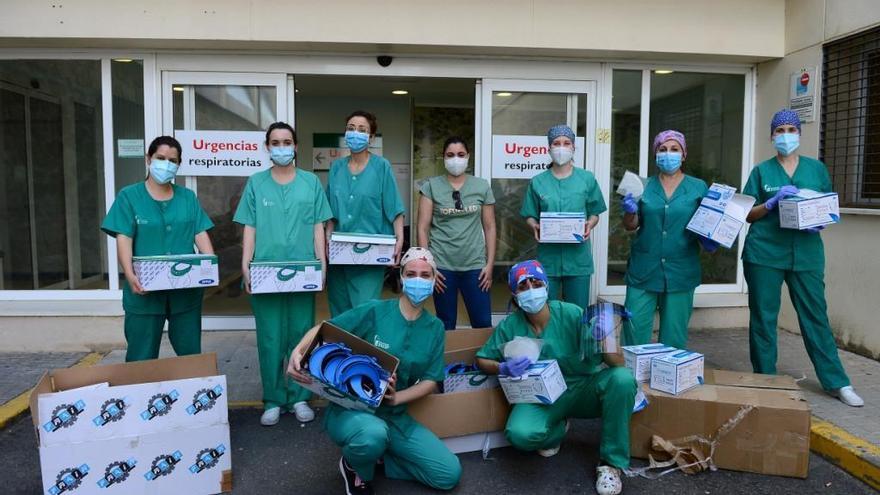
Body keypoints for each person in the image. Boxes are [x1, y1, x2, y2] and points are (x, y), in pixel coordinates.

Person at [288, 247, 462, 495]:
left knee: (448, 474)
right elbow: (324, 328)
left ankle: (379, 455)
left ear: (435, 279)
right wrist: (299, 350)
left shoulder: (435, 328)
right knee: (371, 435)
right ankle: (355, 466)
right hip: (353, 410)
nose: (418, 280)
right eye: (411, 273)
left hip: (396, 416)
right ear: (401, 277)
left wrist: (396, 398)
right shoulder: (374, 311)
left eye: (425, 275)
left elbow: (432, 380)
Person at [476, 260, 636, 495]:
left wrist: (607, 339)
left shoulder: (571, 313)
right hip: (543, 397)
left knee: (622, 380)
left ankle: (611, 464)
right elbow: (482, 359)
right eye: (523, 286)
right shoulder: (510, 325)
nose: (531, 290)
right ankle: (557, 430)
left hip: (583, 389)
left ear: (546, 286)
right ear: (514, 293)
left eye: (536, 282)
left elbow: (617, 365)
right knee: (520, 434)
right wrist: (503, 368)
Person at [742, 109, 863, 407]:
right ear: (772, 136)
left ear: (799, 134)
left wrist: (822, 219)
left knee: (815, 317)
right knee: (763, 318)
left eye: (790, 130)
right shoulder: (761, 171)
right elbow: (746, 213)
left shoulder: (816, 169)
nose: (785, 135)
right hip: (764, 253)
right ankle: (766, 380)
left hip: (806, 254)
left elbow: (827, 206)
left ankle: (837, 382)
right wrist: (770, 203)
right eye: (780, 130)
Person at [234, 122, 333, 426]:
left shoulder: (310, 183)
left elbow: (318, 225)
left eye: (286, 141)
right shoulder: (256, 183)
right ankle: (274, 399)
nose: (281, 147)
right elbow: (249, 226)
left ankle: (300, 396)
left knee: (300, 334)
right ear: (268, 147)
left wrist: (322, 262)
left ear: (296, 146)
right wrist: (245, 263)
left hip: (303, 269)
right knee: (270, 338)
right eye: (275, 142)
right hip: (265, 270)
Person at [101, 136, 214, 362]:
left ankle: (193, 394)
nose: (166, 164)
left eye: (173, 160)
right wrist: (130, 274)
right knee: (141, 354)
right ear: (148, 159)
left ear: (178, 165)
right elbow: (124, 237)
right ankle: (139, 394)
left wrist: (209, 265)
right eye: (161, 158)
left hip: (185, 288)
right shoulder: (129, 196)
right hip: (145, 287)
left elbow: (199, 231)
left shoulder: (187, 197)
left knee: (190, 354)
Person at [620, 130, 717, 349]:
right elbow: (630, 225)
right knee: (634, 329)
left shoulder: (698, 187)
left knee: (674, 337)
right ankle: (631, 381)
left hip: (681, 269)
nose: (668, 154)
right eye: (662, 149)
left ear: (683, 155)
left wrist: (713, 238)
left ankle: (668, 379)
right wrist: (629, 211)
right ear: (655, 154)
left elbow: (709, 223)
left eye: (674, 149)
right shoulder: (641, 185)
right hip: (644, 269)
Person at [326, 110, 406, 317]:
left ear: (371, 138)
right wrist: (326, 241)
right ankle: (340, 350)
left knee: (364, 311)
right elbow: (330, 212)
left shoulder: (381, 167)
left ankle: (362, 350)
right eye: (351, 128)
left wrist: (399, 240)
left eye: (362, 130)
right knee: (340, 313)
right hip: (338, 253)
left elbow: (394, 208)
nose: (355, 133)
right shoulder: (336, 168)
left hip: (369, 255)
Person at [521, 124, 607, 309]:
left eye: (566, 143)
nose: (561, 147)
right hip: (548, 259)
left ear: (573, 147)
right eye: (556, 143)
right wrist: (534, 225)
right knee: (547, 311)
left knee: (577, 313)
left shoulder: (587, 179)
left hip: (578, 260)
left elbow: (595, 212)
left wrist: (590, 224)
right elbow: (529, 214)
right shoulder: (538, 181)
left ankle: (576, 339)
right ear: (549, 148)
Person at [416, 136, 496, 330]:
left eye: (460, 154)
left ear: (468, 156)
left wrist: (490, 264)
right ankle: (447, 360)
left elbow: (490, 226)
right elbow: (422, 227)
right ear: (443, 158)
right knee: (446, 322)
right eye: (450, 155)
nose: (455, 159)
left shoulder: (481, 186)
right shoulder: (431, 187)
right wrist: (429, 265)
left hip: (475, 267)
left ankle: (483, 361)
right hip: (442, 266)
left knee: (483, 322)